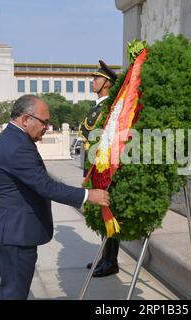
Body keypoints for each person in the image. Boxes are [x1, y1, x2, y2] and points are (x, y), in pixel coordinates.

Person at [0, 95, 109, 300]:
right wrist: (88, 195)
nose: (47, 127)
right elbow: (46, 186)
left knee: (15, 289)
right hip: (15, 233)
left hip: (12, 228)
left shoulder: (15, 138)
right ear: (26, 119)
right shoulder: (17, 146)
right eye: (44, 122)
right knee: (14, 292)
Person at [79, 60, 120, 278]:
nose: (92, 81)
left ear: (106, 83)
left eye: (96, 78)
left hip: (105, 171)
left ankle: (111, 261)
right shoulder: (97, 108)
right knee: (101, 217)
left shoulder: (109, 109)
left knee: (108, 216)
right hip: (93, 169)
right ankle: (104, 258)